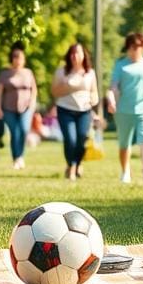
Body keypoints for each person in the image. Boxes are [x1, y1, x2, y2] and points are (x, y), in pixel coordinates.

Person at [107, 32, 143, 183]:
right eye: (131, 48)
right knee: (124, 143)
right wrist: (112, 100)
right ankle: (125, 172)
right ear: (127, 48)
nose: (135, 51)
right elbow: (113, 86)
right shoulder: (120, 65)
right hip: (124, 111)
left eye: (138, 47)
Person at [51, 42, 100, 180]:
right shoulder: (61, 72)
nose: (75, 56)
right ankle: (71, 167)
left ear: (84, 55)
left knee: (82, 139)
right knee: (70, 139)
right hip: (65, 110)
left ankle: (77, 164)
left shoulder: (90, 73)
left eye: (77, 53)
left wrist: (93, 101)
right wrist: (68, 87)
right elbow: (54, 91)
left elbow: (95, 93)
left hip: (84, 111)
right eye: (72, 53)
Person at [0, 42, 38, 170]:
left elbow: (34, 90)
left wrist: (32, 104)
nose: (18, 60)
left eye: (20, 58)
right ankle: (16, 158)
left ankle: (20, 156)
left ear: (24, 60)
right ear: (12, 59)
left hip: (26, 108)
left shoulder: (28, 73)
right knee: (15, 132)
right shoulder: (5, 74)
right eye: (15, 57)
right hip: (8, 108)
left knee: (24, 131)